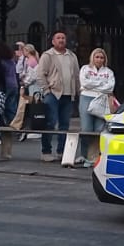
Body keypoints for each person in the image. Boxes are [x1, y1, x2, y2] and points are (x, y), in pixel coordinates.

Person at [37, 32, 79, 161]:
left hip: (68, 94)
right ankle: (46, 151)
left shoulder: (71, 56)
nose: (61, 40)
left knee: (65, 124)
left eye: (63, 38)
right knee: (50, 122)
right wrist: (46, 90)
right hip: (53, 94)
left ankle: (62, 151)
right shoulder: (48, 55)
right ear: (53, 41)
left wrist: (77, 91)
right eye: (58, 38)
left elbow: (76, 75)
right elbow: (40, 74)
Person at [74, 48, 116, 168]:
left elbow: (110, 87)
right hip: (86, 98)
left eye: (101, 57)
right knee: (87, 128)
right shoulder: (85, 69)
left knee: (99, 128)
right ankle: (83, 154)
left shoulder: (108, 72)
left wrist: (94, 85)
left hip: (102, 100)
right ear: (92, 57)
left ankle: (94, 156)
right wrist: (101, 84)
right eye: (97, 57)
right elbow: (84, 83)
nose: (99, 59)